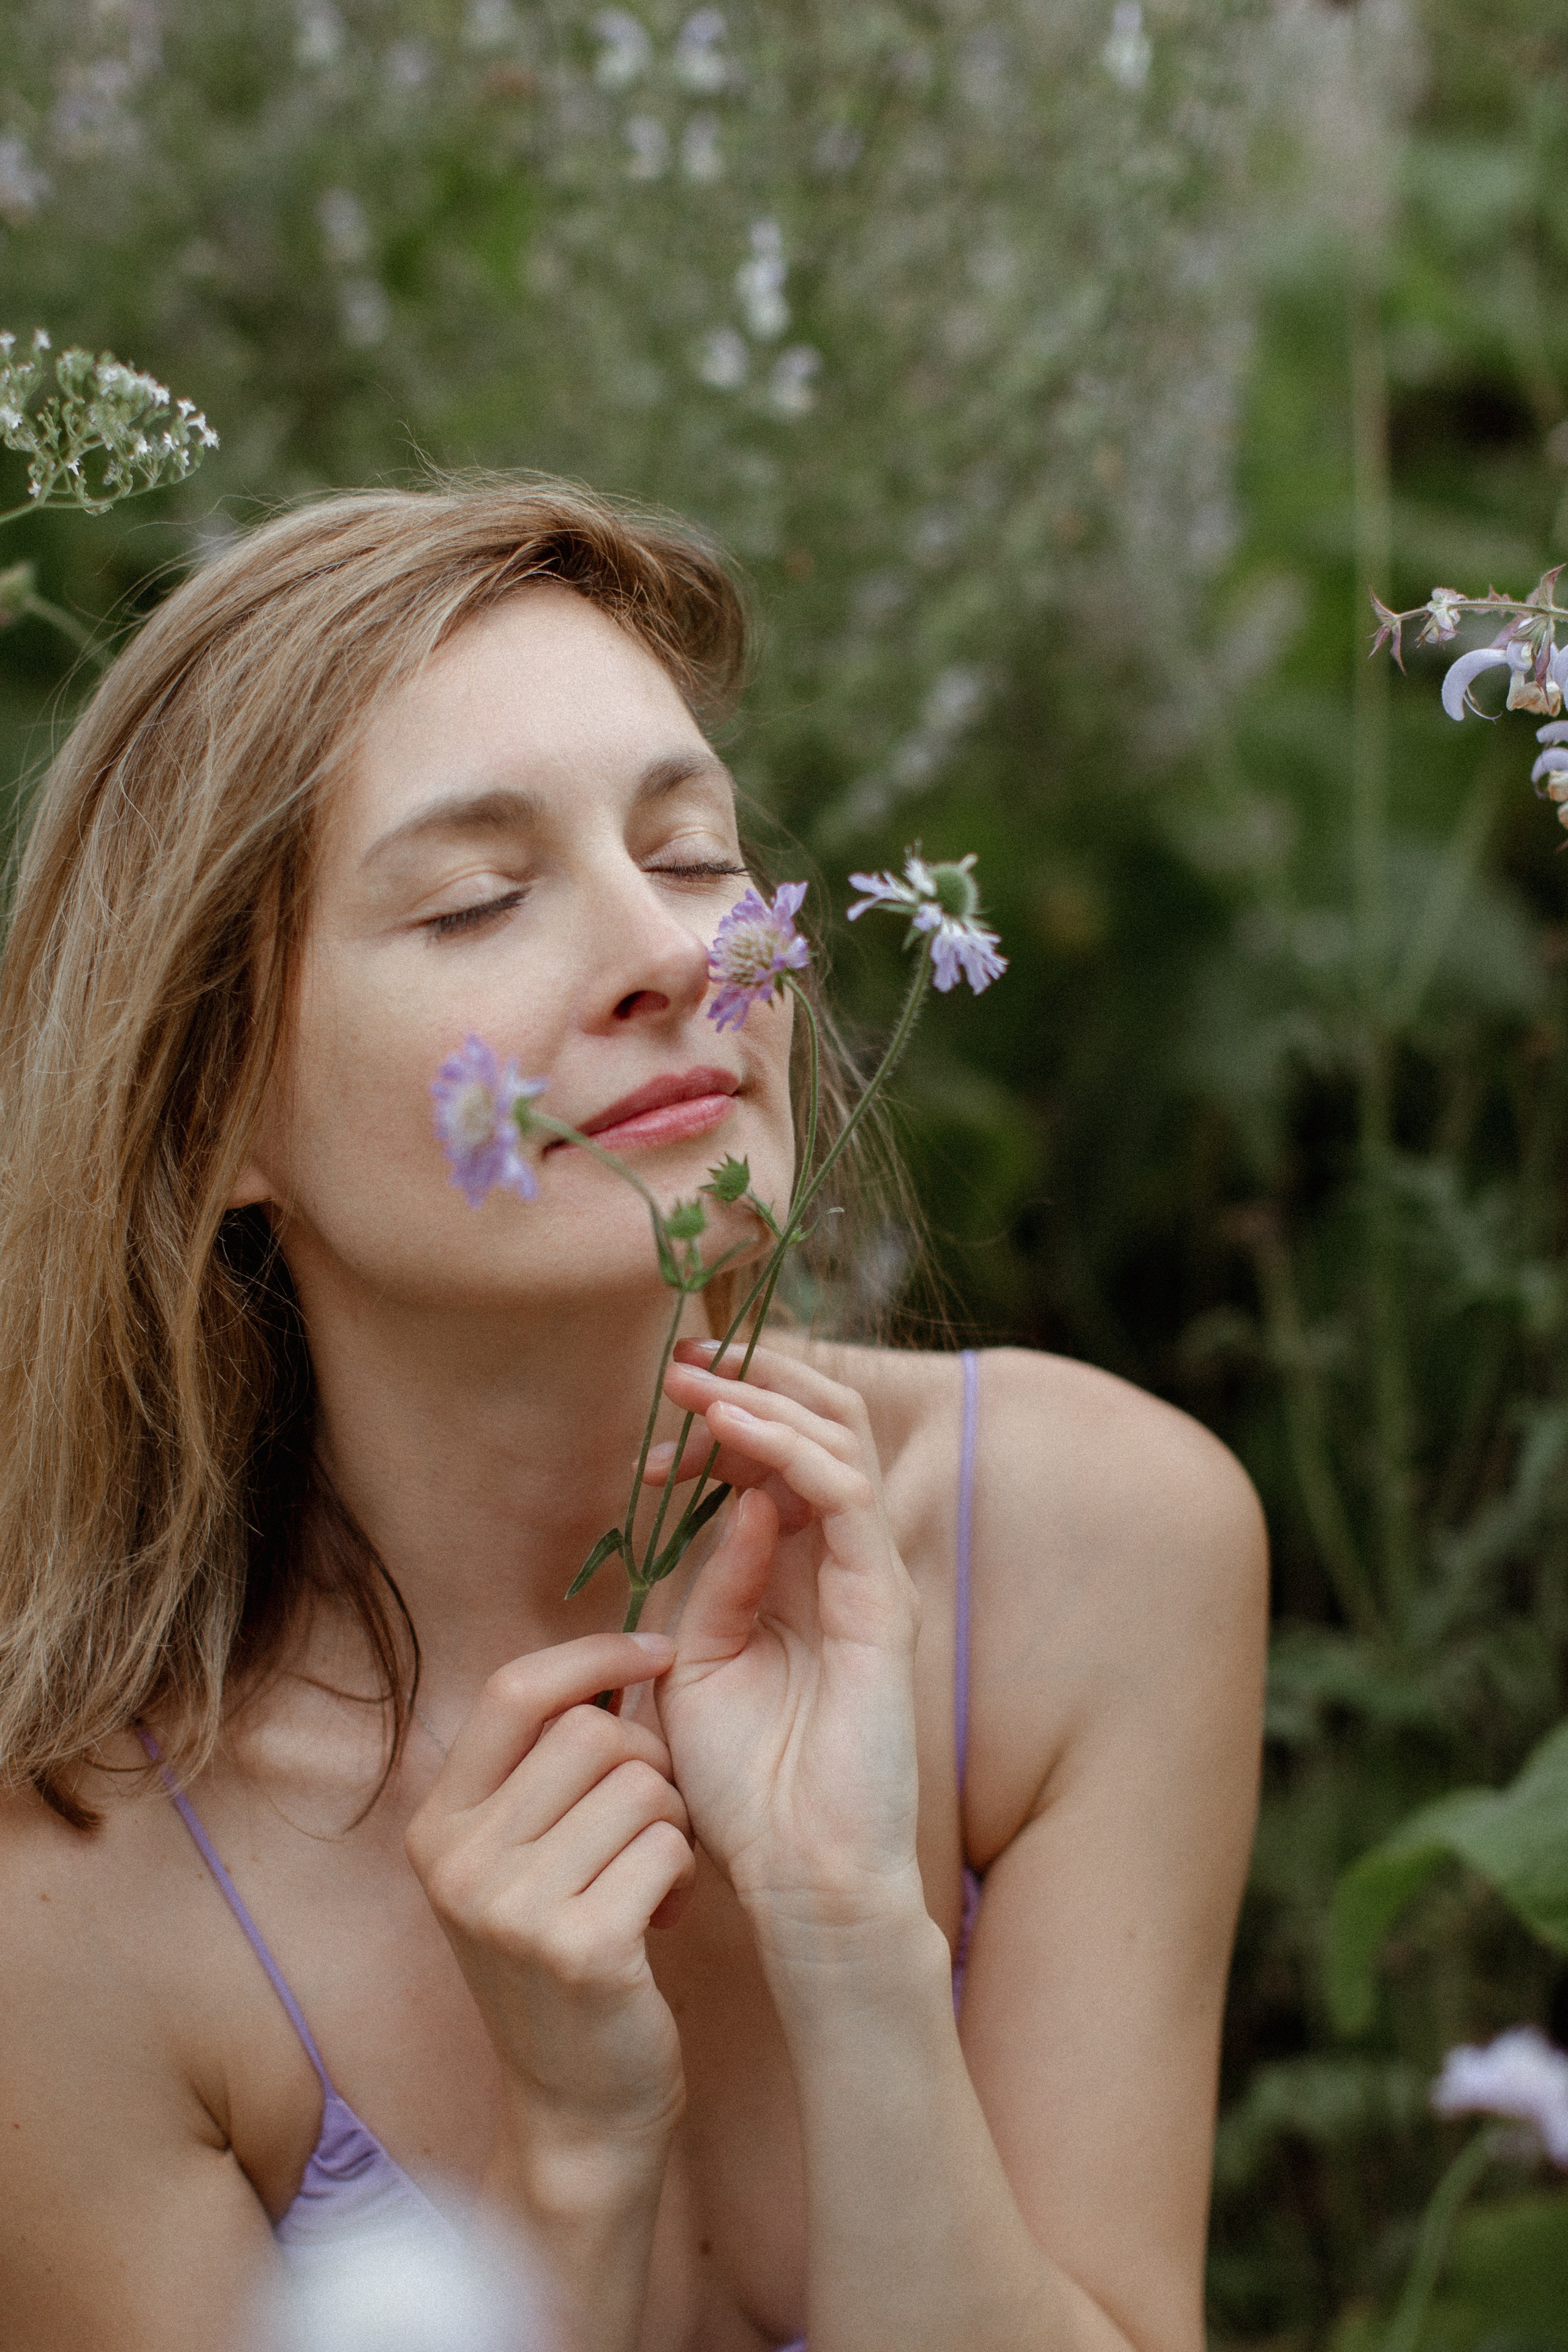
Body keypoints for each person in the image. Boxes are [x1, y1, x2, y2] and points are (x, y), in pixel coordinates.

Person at [0, 481, 1267, 2352]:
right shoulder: (77, 1900)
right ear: (212, 1124)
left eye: (689, 857)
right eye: (479, 899)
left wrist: (855, 1953)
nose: (681, 959)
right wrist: (574, 2168)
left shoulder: (1094, 1547)